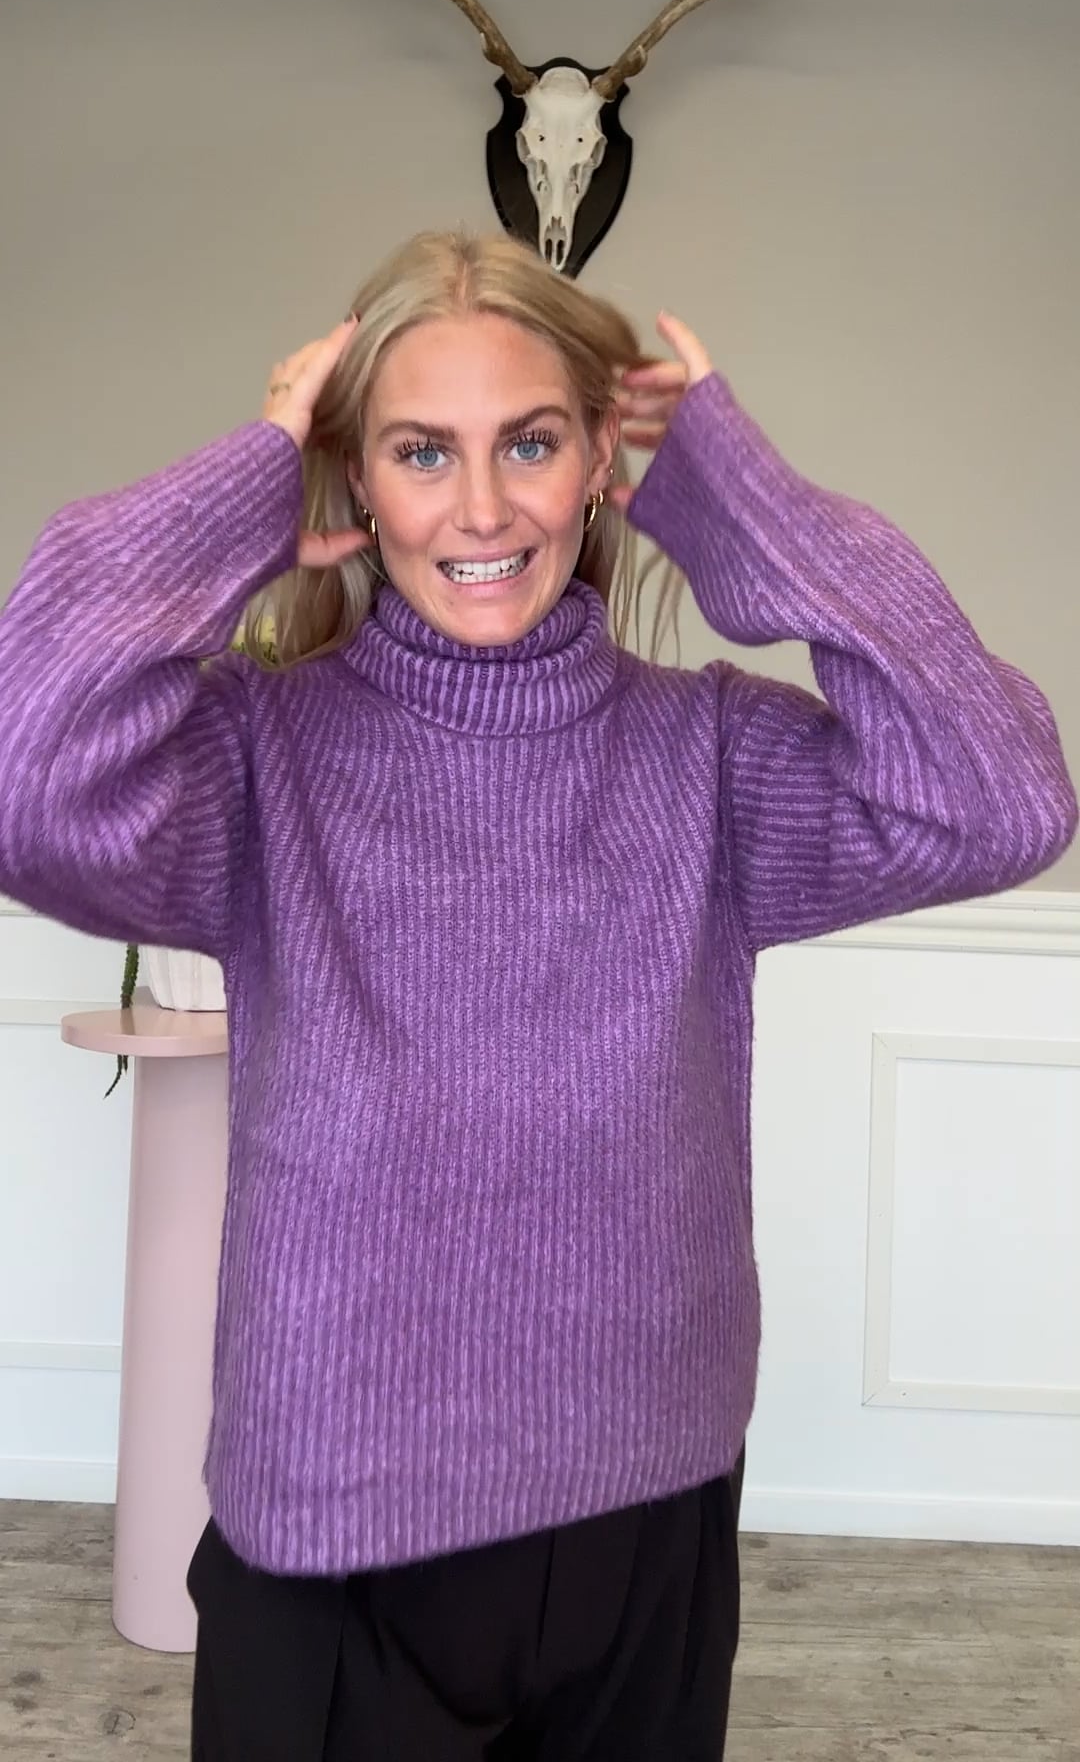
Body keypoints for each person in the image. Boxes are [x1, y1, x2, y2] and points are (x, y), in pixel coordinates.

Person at [0, 230, 1074, 1762]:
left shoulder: (711, 756)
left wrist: (758, 513)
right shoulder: (254, 756)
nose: (484, 508)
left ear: (598, 471)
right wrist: (239, 492)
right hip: (343, 1532)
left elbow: (1005, 799)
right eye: (421, 451)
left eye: (530, 442)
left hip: (648, 1506)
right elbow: (23, 780)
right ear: (357, 481)